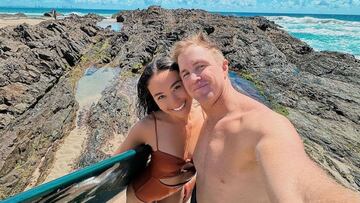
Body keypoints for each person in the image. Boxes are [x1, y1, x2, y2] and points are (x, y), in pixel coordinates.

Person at [171, 33, 360, 203]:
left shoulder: (264, 126)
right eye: (185, 73)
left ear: (224, 68)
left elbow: (299, 186)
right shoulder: (202, 115)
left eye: (200, 66)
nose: (193, 78)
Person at [113, 57, 204, 203]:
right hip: (142, 196)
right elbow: (114, 163)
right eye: (161, 96)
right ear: (154, 100)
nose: (174, 101)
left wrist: (192, 181)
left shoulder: (205, 112)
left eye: (176, 87)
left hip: (177, 192)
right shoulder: (148, 127)